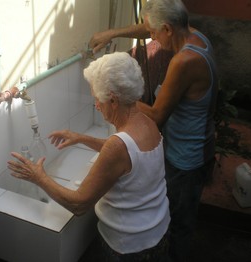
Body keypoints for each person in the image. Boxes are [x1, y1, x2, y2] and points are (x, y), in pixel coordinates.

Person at [8, 52, 170, 261]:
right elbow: (128, 157)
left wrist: (38, 177)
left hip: (130, 247)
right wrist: (80, 138)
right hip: (158, 231)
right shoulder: (147, 122)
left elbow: (79, 205)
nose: (96, 105)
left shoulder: (118, 145)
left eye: (96, 98)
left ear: (112, 100)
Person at [89, 1, 219, 262]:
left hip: (186, 160)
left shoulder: (184, 61)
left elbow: (157, 116)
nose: (151, 38)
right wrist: (112, 33)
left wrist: (116, 92)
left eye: (154, 33)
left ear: (168, 29)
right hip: (202, 146)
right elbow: (149, 26)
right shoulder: (195, 35)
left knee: (178, 224)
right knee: (179, 218)